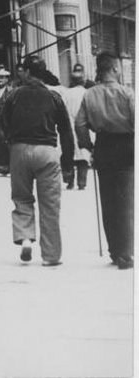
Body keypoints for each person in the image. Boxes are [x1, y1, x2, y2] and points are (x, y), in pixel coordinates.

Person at [0, 57, 74, 266]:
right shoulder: (54, 96)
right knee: (50, 205)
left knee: (22, 198)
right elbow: (66, 132)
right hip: (47, 151)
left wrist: (9, 150)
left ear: (28, 73)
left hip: (19, 150)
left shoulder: (13, 95)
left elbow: (2, 125)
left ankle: (25, 238)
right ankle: (51, 256)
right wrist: (68, 163)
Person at [75, 52, 134, 269]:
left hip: (103, 147)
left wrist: (87, 146)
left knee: (108, 201)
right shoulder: (128, 93)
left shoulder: (89, 95)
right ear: (115, 69)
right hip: (127, 146)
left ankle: (114, 251)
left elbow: (79, 124)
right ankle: (126, 255)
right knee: (126, 201)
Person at [58, 64, 91, 190]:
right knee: (83, 154)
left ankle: (70, 181)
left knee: (69, 154)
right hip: (84, 127)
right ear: (83, 81)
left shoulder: (66, 93)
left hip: (69, 126)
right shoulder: (87, 93)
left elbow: (62, 110)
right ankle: (81, 182)